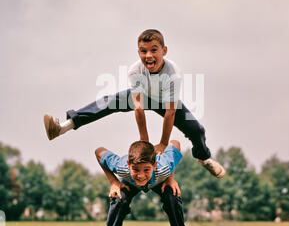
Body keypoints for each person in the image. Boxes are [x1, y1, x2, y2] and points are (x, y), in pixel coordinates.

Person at [44, 29, 226, 179]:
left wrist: (163, 143)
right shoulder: (135, 70)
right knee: (108, 102)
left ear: (164, 51)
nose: (148, 56)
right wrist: (144, 141)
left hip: (165, 102)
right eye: (143, 51)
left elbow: (170, 112)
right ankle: (62, 128)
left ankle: (204, 159)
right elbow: (138, 107)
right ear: (138, 52)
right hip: (143, 96)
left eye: (154, 50)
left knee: (196, 130)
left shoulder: (173, 74)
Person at [95, 139, 190, 226]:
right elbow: (99, 152)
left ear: (154, 165)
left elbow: (175, 143)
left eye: (146, 169)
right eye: (135, 169)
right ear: (128, 165)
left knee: (172, 197)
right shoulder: (121, 166)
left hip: (158, 181)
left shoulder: (164, 167)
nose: (141, 175)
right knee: (119, 198)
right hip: (130, 182)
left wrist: (170, 178)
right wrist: (114, 182)